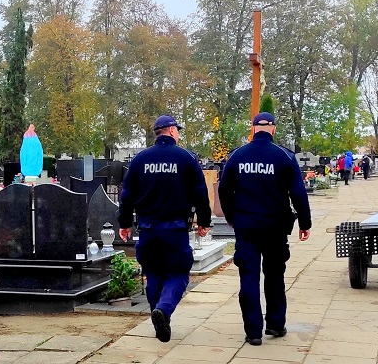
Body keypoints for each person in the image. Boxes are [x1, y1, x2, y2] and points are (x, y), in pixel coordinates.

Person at [218, 111, 312, 345]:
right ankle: (276, 324)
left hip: (246, 226)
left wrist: (232, 218)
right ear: (273, 128)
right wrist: (305, 222)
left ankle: (253, 332)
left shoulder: (237, 157)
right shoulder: (284, 157)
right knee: (274, 275)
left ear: (253, 128)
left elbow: (224, 191)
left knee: (248, 277)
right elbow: (298, 193)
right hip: (275, 227)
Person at [118, 115, 212, 342]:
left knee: (153, 274)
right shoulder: (186, 158)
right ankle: (164, 309)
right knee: (178, 273)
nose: (178, 134)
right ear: (170, 131)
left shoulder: (141, 160)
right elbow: (200, 193)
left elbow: (127, 195)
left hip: (148, 229)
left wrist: (124, 223)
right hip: (175, 230)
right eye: (177, 130)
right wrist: (205, 222)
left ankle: (159, 317)